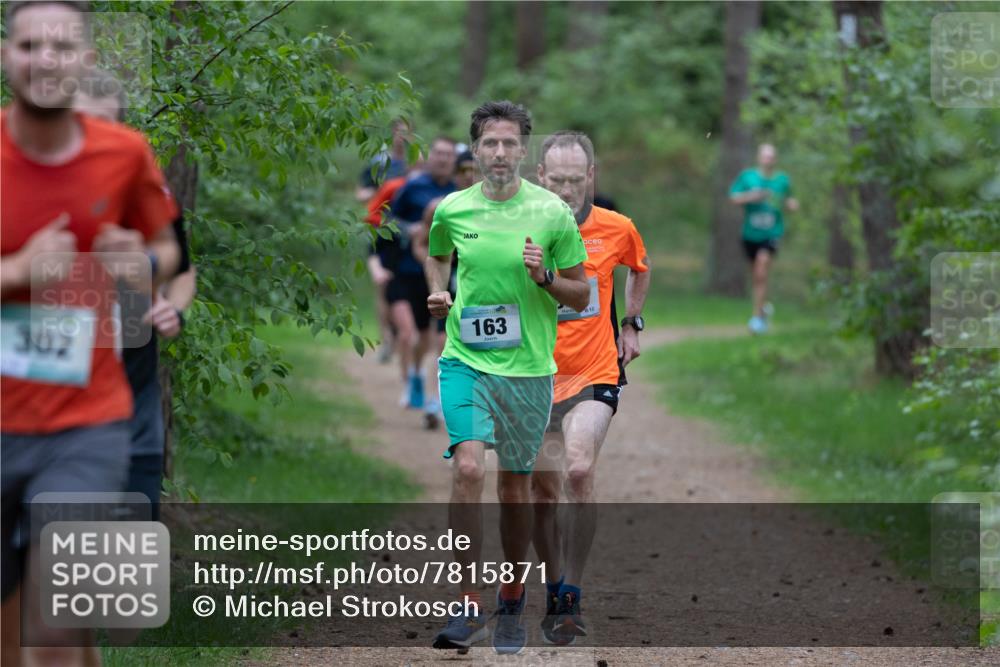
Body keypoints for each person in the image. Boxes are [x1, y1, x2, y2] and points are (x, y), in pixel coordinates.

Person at [0, 2, 179, 664]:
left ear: (86, 59)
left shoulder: (127, 162)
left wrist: (149, 278)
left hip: (96, 413)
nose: (45, 59)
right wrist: (22, 269)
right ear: (6, 54)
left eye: (62, 46)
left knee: (63, 609)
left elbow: (168, 256)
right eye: (29, 45)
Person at [426, 101, 589, 655]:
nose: (499, 153)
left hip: (527, 371)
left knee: (514, 488)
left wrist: (544, 277)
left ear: (524, 150)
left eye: (509, 144)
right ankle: (468, 600)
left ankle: (513, 593)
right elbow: (437, 255)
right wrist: (439, 289)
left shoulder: (552, 213)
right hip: (465, 361)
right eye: (489, 143)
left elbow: (581, 292)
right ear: (476, 149)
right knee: (468, 466)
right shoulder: (452, 208)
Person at [531, 131, 651, 645]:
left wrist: (632, 323)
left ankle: (572, 594)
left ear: (591, 178)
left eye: (575, 181)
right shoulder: (520, 228)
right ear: (540, 178)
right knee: (541, 488)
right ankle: (553, 584)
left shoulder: (616, 227)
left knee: (578, 469)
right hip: (532, 376)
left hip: (595, 370)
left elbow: (639, 269)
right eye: (555, 180)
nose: (565, 191)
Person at [75, 72, 197, 522]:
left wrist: (173, 309)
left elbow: (184, 270)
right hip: (49, 406)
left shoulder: (143, 191)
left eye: (106, 124)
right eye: (82, 121)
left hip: (133, 399)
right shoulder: (27, 185)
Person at [381, 137, 456, 409]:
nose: (443, 159)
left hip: (440, 274)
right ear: (431, 156)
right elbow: (387, 220)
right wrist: (409, 228)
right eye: (438, 153)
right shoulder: (413, 186)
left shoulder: (457, 191)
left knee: (431, 337)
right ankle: (413, 379)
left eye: (448, 154)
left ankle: (426, 383)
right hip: (408, 270)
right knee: (412, 334)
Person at [411, 150, 477, 429]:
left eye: (475, 169)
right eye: (464, 170)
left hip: (483, 292)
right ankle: (432, 401)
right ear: (455, 174)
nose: (470, 176)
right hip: (449, 286)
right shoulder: (442, 206)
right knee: (440, 343)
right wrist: (437, 270)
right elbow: (421, 244)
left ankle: (473, 404)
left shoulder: (503, 211)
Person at [729, 143, 799, 334]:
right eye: (765, 156)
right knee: (757, 277)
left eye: (771, 156)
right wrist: (752, 196)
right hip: (750, 234)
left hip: (771, 233)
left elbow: (789, 199)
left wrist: (792, 204)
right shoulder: (748, 177)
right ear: (759, 158)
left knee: (761, 271)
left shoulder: (782, 180)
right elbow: (733, 197)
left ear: (775, 160)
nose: (768, 159)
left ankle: (757, 318)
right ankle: (763, 307)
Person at [354, 118, 410, 202]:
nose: (401, 137)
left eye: (405, 133)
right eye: (397, 132)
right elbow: (361, 194)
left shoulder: (418, 164)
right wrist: (381, 192)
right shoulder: (379, 162)